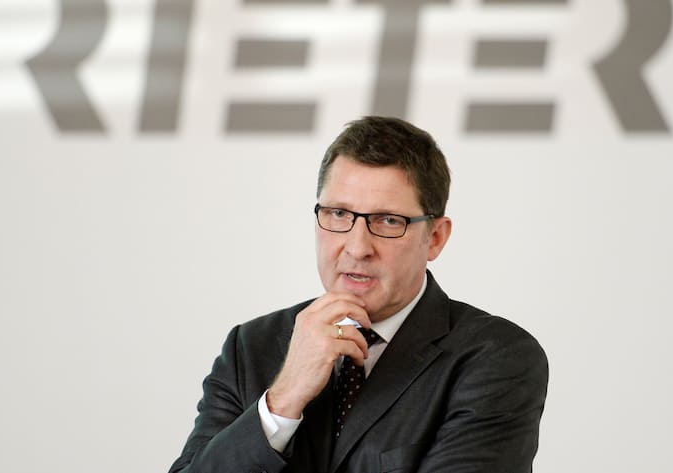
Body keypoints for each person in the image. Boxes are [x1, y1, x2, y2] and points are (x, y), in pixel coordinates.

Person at [167, 116, 548, 473]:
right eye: (338, 214)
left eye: (388, 221)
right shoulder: (250, 347)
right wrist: (282, 400)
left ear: (435, 237)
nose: (357, 247)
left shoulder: (494, 357)